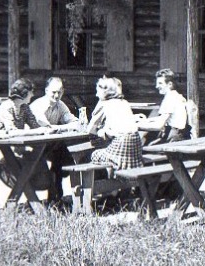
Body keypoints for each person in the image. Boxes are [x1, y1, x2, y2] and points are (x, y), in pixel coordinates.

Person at [29, 76, 79, 205]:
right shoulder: (38, 106)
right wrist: (65, 127)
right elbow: (46, 128)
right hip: (33, 145)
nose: (57, 95)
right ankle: (43, 199)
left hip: (51, 144)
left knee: (67, 162)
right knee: (43, 174)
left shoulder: (60, 105)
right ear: (46, 91)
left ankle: (56, 197)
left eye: (60, 92)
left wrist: (67, 125)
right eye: (53, 92)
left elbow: (74, 122)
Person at [85, 75, 144, 173]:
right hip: (135, 145)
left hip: (121, 144)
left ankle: (109, 182)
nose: (96, 95)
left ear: (105, 91)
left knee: (95, 155)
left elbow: (91, 129)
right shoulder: (124, 102)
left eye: (97, 91)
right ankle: (115, 180)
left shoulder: (105, 104)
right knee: (108, 152)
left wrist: (100, 131)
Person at [144, 68, 192, 143]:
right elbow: (162, 118)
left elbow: (160, 124)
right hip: (177, 133)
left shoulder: (170, 98)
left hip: (174, 136)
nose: (156, 86)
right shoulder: (175, 95)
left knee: (145, 142)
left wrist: (138, 125)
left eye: (160, 83)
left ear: (169, 84)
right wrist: (146, 120)